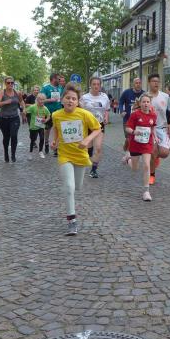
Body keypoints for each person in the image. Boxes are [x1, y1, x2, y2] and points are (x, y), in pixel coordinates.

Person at [49, 84, 102, 236]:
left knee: (77, 187)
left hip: (80, 155)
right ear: (62, 100)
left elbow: (97, 128)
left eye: (74, 99)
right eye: (68, 98)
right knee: (69, 187)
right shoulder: (56, 115)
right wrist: (55, 141)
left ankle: (71, 192)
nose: (70, 101)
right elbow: (56, 129)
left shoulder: (84, 114)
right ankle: (72, 221)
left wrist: (87, 140)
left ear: (78, 102)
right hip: (64, 155)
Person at [125, 93, 157, 201]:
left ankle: (146, 191)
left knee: (147, 165)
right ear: (140, 103)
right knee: (135, 168)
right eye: (144, 102)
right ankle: (128, 159)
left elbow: (153, 128)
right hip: (135, 144)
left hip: (147, 144)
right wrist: (134, 132)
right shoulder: (135, 115)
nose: (146, 104)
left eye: (148, 102)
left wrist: (155, 137)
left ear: (150, 103)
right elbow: (127, 128)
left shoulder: (153, 115)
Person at [147, 73, 170, 185]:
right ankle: (151, 175)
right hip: (150, 128)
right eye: (154, 81)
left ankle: (154, 158)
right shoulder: (145, 97)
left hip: (162, 128)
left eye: (158, 81)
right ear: (149, 83)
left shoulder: (165, 96)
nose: (156, 83)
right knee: (153, 151)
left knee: (164, 153)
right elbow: (138, 111)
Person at [81, 76, 111, 178]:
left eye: (98, 84)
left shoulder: (104, 97)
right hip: (87, 126)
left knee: (98, 148)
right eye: (94, 84)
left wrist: (106, 117)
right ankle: (88, 158)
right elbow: (80, 111)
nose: (96, 86)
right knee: (88, 150)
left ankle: (94, 170)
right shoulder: (84, 97)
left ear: (100, 85)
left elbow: (107, 109)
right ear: (90, 85)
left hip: (99, 125)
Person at [0, 76, 26, 163]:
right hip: (4, 119)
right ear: (5, 84)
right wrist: (5, 102)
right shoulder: (2, 93)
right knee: (6, 137)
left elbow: (21, 101)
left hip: (14, 118)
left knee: (14, 135)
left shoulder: (17, 93)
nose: (10, 84)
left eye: (12, 83)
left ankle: (13, 154)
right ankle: (6, 153)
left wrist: (24, 109)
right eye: (8, 83)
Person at [119, 77, 144, 160]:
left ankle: (128, 152)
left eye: (139, 83)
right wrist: (122, 111)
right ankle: (128, 152)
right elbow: (121, 102)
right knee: (129, 138)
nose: (138, 84)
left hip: (139, 121)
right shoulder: (127, 92)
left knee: (133, 138)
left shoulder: (144, 94)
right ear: (133, 84)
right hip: (127, 119)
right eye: (136, 83)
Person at [41, 73, 64, 155]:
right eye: (58, 79)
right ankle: (46, 142)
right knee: (47, 129)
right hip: (48, 112)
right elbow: (41, 100)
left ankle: (56, 147)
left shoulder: (60, 88)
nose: (59, 80)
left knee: (58, 129)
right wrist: (50, 100)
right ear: (53, 79)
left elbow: (62, 98)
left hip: (58, 112)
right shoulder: (45, 88)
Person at [26, 93, 50, 159]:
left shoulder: (45, 108)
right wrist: (26, 116)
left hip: (41, 126)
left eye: (43, 100)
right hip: (33, 127)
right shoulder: (33, 107)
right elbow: (26, 112)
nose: (41, 101)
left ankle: (40, 151)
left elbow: (48, 116)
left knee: (42, 138)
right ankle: (30, 153)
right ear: (37, 100)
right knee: (33, 140)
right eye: (40, 99)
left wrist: (45, 120)